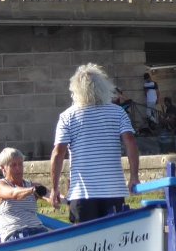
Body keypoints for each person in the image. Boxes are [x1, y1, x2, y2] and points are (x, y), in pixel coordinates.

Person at [51, 63, 141, 222]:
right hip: (113, 191)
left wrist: (55, 188)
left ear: (75, 89)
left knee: (84, 242)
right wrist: (134, 176)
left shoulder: (68, 116)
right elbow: (130, 142)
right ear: (104, 87)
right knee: (115, 238)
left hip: (82, 195)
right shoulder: (117, 112)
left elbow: (58, 153)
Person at [0, 147, 49, 242]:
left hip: (38, 229)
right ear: (3, 168)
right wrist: (33, 190)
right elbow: (14, 193)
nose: (18, 169)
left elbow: (52, 197)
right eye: (13, 165)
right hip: (14, 234)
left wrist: (61, 199)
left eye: (20, 164)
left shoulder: (31, 185)